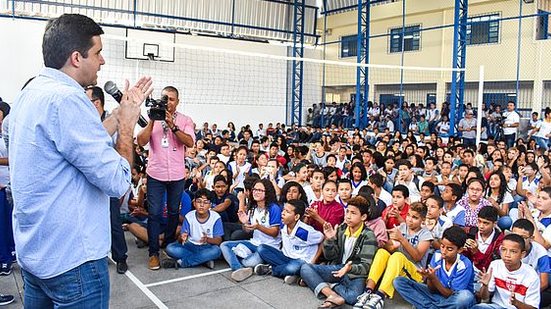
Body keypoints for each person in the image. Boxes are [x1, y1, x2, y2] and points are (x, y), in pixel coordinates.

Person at [9, 14, 152, 307]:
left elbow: (75, 145)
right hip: (74, 262)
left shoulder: (31, 93)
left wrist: (117, 115)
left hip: (37, 255)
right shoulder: (69, 100)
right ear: (76, 57)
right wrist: (126, 126)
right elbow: (117, 182)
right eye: (97, 53)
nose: (102, 61)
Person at [137, 85, 196, 270]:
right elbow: (141, 141)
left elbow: (190, 142)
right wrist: (153, 121)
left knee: (172, 212)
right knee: (154, 214)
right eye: (165, 98)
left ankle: (168, 247)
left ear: (177, 102)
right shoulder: (151, 118)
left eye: (171, 99)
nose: (167, 102)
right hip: (156, 174)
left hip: (177, 175)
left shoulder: (185, 120)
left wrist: (173, 126)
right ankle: (153, 253)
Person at [300, 196, 378, 307]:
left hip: (354, 274)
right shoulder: (342, 228)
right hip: (338, 268)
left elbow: (366, 266)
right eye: (347, 212)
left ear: (363, 217)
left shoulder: (368, 236)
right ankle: (332, 294)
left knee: (353, 298)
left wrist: (349, 268)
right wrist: (330, 239)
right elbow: (330, 257)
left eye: (353, 213)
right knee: (305, 268)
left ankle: (328, 285)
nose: (348, 216)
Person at [356, 202, 433, 309]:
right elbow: (388, 248)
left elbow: (417, 257)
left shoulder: (425, 234)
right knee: (382, 253)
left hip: (416, 274)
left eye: (415, 217)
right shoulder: (402, 227)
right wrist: (390, 245)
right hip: (398, 268)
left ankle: (380, 296)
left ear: (423, 219)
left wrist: (402, 239)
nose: (410, 219)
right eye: (409, 215)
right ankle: (368, 291)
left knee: (397, 256)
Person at [85, 86, 128, 274]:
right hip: (87, 181)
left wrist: (121, 185)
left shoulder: (113, 122)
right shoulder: (84, 122)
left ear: (96, 103)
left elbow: (121, 151)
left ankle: (121, 258)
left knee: (114, 221)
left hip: (107, 181)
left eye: (86, 99)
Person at [393, 226, 476, 309]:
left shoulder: (464, 265)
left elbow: (450, 295)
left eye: (449, 249)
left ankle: (427, 306)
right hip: (437, 296)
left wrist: (434, 279)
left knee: (465, 297)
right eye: (442, 246)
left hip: (452, 300)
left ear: (460, 250)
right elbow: (431, 289)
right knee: (398, 281)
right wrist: (429, 277)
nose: (444, 251)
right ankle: (431, 307)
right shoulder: (437, 255)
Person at [254, 199, 323, 284]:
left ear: (296, 217)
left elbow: (322, 239)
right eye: (283, 210)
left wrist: (314, 260)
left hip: (301, 260)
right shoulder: (283, 225)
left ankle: (271, 269)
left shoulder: (303, 232)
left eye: (287, 212)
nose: (282, 213)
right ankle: (293, 274)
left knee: (293, 267)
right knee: (261, 248)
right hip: (286, 257)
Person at [474, 234, 540, 309]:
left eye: (513, 251)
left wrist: (516, 303)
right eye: (503, 250)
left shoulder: (531, 275)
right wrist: (485, 286)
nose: (507, 255)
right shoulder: (495, 265)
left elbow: (533, 308)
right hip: (496, 306)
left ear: (522, 254)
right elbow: (484, 297)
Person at [164, 189, 223, 269]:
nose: (202, 205)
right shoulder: (189, 216)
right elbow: (181, 240)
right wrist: (182, 237)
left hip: (207, 247)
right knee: (170, 248)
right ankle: (204, 260)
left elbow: (218, 240)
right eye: (199, 201)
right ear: (194, 203)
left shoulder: (216, 217)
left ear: (210, 205)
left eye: (205, 202)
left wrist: (207, 240)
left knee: (216, 251)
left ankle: (181, 263)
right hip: (190, 246)